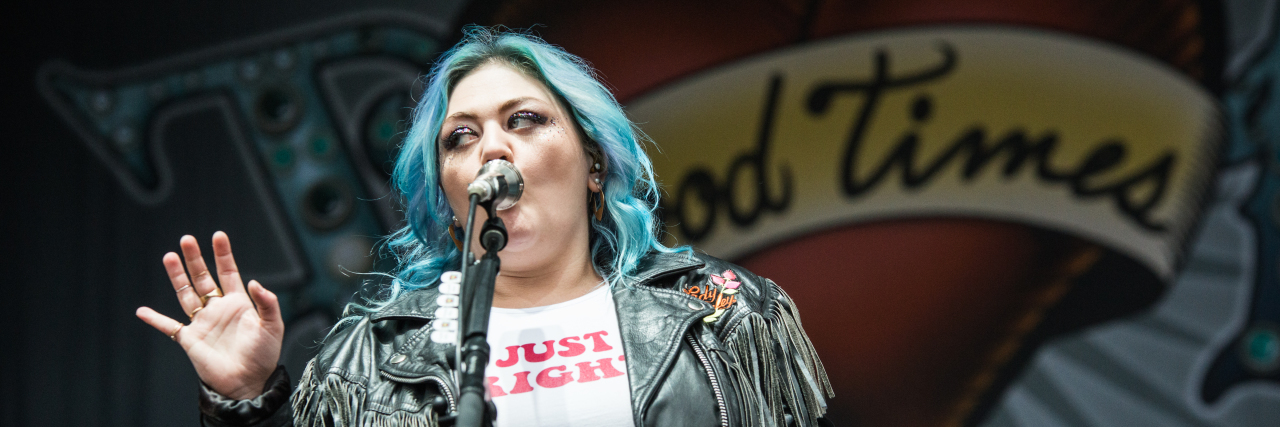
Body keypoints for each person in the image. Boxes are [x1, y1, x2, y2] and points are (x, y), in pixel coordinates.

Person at [136, 27, 833, 427]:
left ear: (594, 165)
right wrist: (244, 400)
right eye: (459, 137)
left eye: (524, 119)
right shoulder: (368, 354)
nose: (490, 149)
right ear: (446, 193)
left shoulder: (723, 314)